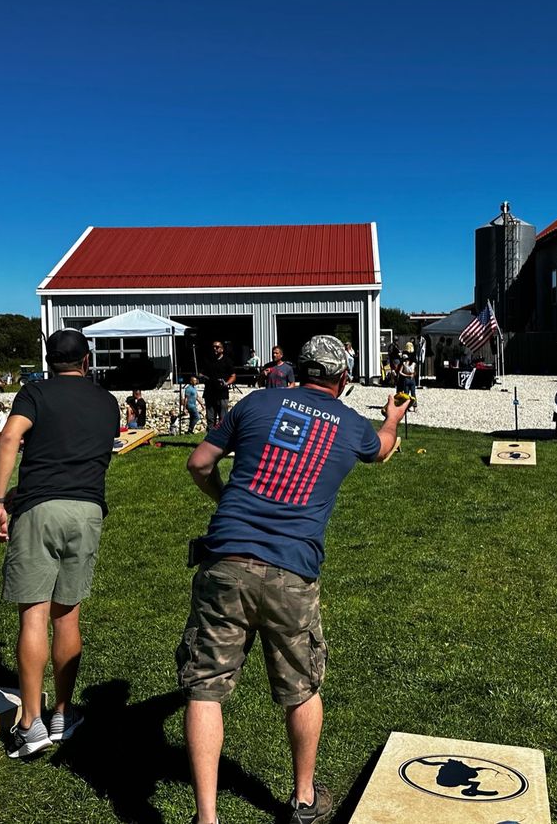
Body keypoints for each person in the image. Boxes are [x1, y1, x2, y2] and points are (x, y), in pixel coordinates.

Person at [180, 335, 407, 824]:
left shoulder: (256, 401)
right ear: (343, 380)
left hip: (224, 559)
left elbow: (199, 463)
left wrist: (225, 502)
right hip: (292, 569)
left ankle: (206, 817)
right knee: (301, 687)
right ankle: (304, 798)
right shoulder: (352, 425)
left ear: (298, 369)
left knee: (205, 688)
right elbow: (382, 449)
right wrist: (392, 416)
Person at [0, 329, 120, 759]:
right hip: (87, 509)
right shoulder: (106, 400)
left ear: (49, 360)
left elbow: (9, 438)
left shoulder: (34, 393)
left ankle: (30, 724)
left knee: (34, 616)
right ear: (86, 360)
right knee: (68, 617)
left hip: (39, 508)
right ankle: (63, 712)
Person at [202, 341, 236, 430]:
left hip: (222, 393)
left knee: (223, 418)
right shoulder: (208, 360)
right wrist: (201, 377)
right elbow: (203, 373)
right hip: (209, 392)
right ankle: (209, 439)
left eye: (217, 347)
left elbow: (233, 376)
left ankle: (221, 440)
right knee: (210, 418)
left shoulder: (227, 361)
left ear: (222, 349)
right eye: (213, 347)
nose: (214, 349)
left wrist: (227, 383)